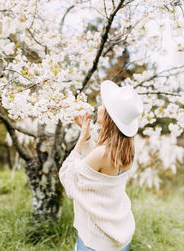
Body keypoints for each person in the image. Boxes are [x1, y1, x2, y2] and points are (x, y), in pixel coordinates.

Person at [59, 80, 144, 251]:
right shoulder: (127, 149)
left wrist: (82, 139)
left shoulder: (103, 153)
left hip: (97, 239)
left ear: (110, 116)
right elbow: (97, 169)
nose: (99, 107)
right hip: (120, 231)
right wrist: (88, 135)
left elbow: (68, 176)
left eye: (103, 105)